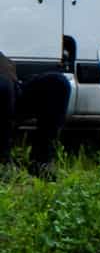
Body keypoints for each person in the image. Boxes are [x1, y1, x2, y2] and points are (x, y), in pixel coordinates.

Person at [0, 50, 71, 178]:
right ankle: (3, 163)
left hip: (14, 93)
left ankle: (41, 161)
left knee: (57, 82)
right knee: (4, 85)